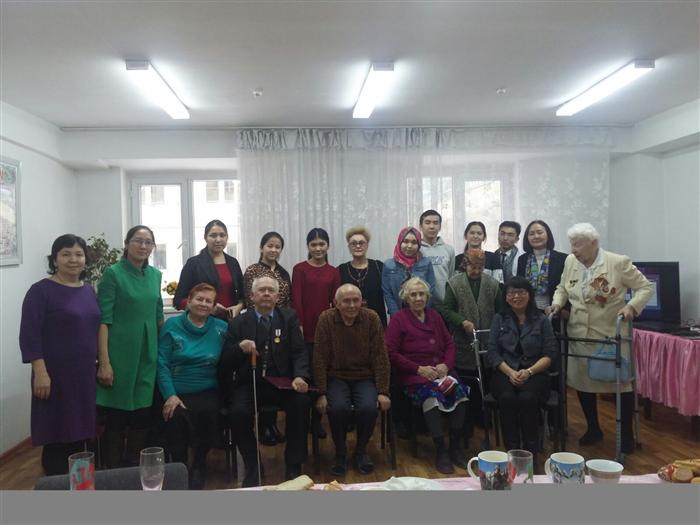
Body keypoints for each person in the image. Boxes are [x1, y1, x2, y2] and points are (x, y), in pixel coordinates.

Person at [548, 223, 653, 453]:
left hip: (609, 336)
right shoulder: (571, 261)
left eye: (578, 244)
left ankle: (626, 435)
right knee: (583, 383)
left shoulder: (617, 262)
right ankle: (593, 428)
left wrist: (631, 307)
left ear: (593, 243)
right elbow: (562, 288)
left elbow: (645, 287)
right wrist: (557, 303)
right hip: (579, 334)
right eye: (572, 244)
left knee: (620, 385)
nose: (573, 249)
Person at [19, 234, 100, 475]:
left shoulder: (88, 290)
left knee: (81, 433)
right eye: (66, 254)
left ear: (85, 259)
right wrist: (40, 373)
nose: (73, 259)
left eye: (78, 254)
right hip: (54, 375)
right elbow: (29, 335)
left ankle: (80, 484)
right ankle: (56, 484)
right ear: (54, 260)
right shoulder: (40, 291)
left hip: (84, 374)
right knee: (57, 433)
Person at [219, 276, 311, 486]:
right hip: (250, 382)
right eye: (262, 290)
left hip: (282, 382)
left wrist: (300, 376)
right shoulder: (238, 322)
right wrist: (239, 348)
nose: (267, 293)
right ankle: (252, 465)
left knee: (302, 403)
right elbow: (225, 360)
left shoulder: (289, 318)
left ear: (277, 297)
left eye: (271, 290)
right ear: (252, 296)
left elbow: (299, 352)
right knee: (237, 413)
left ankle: (293, 464)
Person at [96, 225, 164, 468]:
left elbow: (158, 315)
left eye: (148, 242)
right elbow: (103, 320)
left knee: (142, 414)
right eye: (137, 240)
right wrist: (104, 362)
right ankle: (113, 473)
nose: (143, 246)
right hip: (119, 354)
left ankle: (134, 468)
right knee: (117, 415)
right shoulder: (112, 274)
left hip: (148, 352)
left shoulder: (155, 275)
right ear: (126, 244)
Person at [385, 277, 469, 474]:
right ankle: (441, 450)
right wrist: (418, 369)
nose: (418, 298)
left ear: (427, 296)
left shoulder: (435, 316)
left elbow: (449, 344)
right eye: (413, 294)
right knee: (431, 397)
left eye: (421, 294)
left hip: (441, 371)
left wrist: (446, 365)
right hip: (415, 375)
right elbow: (390, 352)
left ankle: (455, 447)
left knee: (461, 394)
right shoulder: (398, 319)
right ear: (406, 298)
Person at [314, 284, 391, 477]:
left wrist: (383, 391)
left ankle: (361, 451)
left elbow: (380, 356)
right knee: (338, 409)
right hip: (336, 377)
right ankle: (340, 453)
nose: (352, 305)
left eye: (356, 300)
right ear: (336, 303)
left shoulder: (371, 318)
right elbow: (319, 358)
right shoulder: (326, 319)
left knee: (368, 408)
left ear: (361, 301)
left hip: (364, 377)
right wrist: (321, 392)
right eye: (346, 301)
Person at [157, 283, 227, 489]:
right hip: (176, 389)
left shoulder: (221, 328)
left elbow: (232, 356)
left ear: (214, 307)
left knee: (210, 412)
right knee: (175, 416)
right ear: (188, 302)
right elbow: (162, 363)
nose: (203, 304)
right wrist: (170, 395)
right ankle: (180, 467)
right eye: (199, 299)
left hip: (207, 388)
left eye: (208, 301)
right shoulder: (172, 325)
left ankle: (199, 463)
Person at [487, 277, 558, 464]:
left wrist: (529, 372)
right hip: (504, 371)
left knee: (527, 398)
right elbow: (492, 352)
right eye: (511, 293)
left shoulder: (541, 320)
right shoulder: (499, 318)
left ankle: (530, 453)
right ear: (506, 297)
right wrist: (510, 372)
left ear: (530, 295)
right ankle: (512, 454)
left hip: (535, 372)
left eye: (521, 292)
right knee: (507, 398)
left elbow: (550, 353)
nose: (516, 296)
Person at [439, 247, 502, 441]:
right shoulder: (454, 283)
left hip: (487, 339)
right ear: (465, 264)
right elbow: (446, 309)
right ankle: (465, 421)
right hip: (463, 341)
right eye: (472, 267)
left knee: (487, 378)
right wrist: (461, 321)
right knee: (467, 381)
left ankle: (484, 416)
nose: (476, 271)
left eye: (480, 267)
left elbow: (500, 312)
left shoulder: (493, 284)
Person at [291, 227, 341, 438]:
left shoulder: (333, 271)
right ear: (308, 246)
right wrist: (300, 325)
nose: (318, 248)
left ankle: (317, 420)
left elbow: (336, 303)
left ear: (328, 246)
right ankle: (303, 420)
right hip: (305, 329)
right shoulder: (299, 269)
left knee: (323, 373)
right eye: (314, 244)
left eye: (322, 244)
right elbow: (296, 300)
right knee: (307, 373)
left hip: (325, 330)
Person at [173, 219, 244, 320]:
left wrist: (239, 306)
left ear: (227, 237)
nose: (218, 240)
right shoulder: (194, 263)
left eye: (222, 235)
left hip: (231, 321)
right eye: (213, 235)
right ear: (205, 238)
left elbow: (242, 296)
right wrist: (206, 308)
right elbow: (178, 300)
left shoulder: (233, 262)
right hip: (203, 322)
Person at [382, 227, 436, 318]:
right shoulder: (388, 265)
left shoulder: (426, 263)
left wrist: (421, 313)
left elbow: (431, 290)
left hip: (421, 315)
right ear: (400, 242)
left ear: (419, 245)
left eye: (414, 242)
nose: (409, 246)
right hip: (398, 316)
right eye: (405, 241)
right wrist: (398, 317)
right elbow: (388, 294)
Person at [337, 226, 387, 326]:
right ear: (349, 247)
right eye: (353, 243)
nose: (358, 246)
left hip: (376, 322)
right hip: (348, 323)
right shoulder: (340, 270)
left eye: (361, 243)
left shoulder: (379, 267)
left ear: (367, 245)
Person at [516, 220, 568, 311]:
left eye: (540, 232)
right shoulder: (522, 259)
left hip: (554, 310)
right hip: (528, 310)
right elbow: (519, 286)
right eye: (531, 234)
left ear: (548, 235)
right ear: (527, 238)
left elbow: (566, 288)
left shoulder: (562, 258)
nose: (536, 236)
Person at [243, 231, 292, 309]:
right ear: (261, 248)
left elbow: (288, 302)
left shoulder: (284, 273)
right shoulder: (252, 270)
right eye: (270, 246)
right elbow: (249, 300)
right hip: (257, 315)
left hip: (281, 316)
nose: (273, 250)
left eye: (277, 247)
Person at [418, 209, 455, 302]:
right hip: (421, 302)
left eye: (435, 223)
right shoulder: (416, 249)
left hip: (443, 302)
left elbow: (451, 277)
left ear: (440, 227)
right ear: (420, 226)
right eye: (427, 223)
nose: (432, 226)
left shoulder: (449, 250)